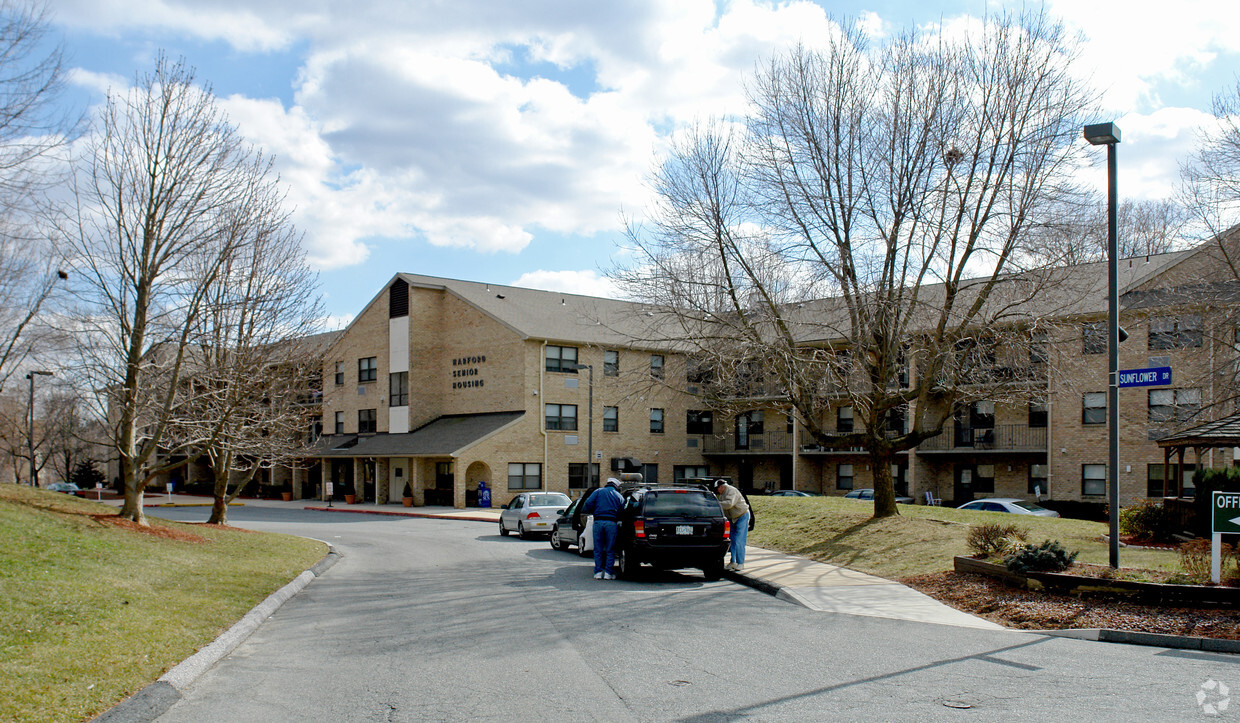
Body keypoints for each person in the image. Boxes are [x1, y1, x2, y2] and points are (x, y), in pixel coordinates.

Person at [581, 477, 624, 579]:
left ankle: (598, 572)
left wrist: (591, 511)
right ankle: (608, 573)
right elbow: (622, 508)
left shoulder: (598, 492)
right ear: (616, 486)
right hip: (611, 523)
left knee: (598, 548)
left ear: (607, 483)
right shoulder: (618, 495)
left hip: (598, 522)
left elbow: (588, 503)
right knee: (610, 549)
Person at [712, 478, 750, 570]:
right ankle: (733, 562)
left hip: (742, 516)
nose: (717, 491)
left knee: (739, 541)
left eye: (717, 488)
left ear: (721, 487)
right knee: (732, 541)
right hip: (732, 519)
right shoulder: (722, 495)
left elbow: (729, 504)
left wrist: (715, 503)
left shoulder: (732, 490)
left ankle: (741, 563)